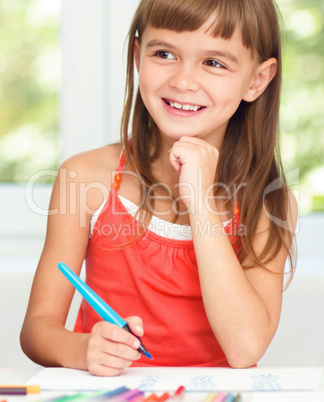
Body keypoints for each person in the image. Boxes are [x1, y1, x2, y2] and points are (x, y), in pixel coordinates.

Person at [20, 0, 298, 377]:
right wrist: (82, 347)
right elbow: (37, 329)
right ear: (138, 56)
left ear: (257, 80)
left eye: (214, 62)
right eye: (164, 53)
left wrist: (199, 200)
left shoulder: (269, 204)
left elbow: (243, 346)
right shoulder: (85, 178)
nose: (183, 81)